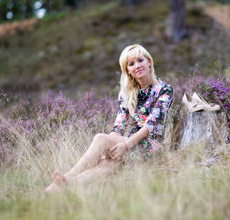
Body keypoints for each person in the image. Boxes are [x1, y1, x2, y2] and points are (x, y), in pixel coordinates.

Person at [45, 44, 173, 192]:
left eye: (140, 60)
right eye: (131, 64)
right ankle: (56, 189)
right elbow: (119, 126)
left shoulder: (164, 90)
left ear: (149, 62)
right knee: (108, 163)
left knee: (100, 138)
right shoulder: (127, 93)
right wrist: (111, 148)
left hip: (151, 148)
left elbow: (150, 125)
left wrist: (126, 145)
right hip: (131, 145)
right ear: (128, 71)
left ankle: (67, 177)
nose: (137, 66)